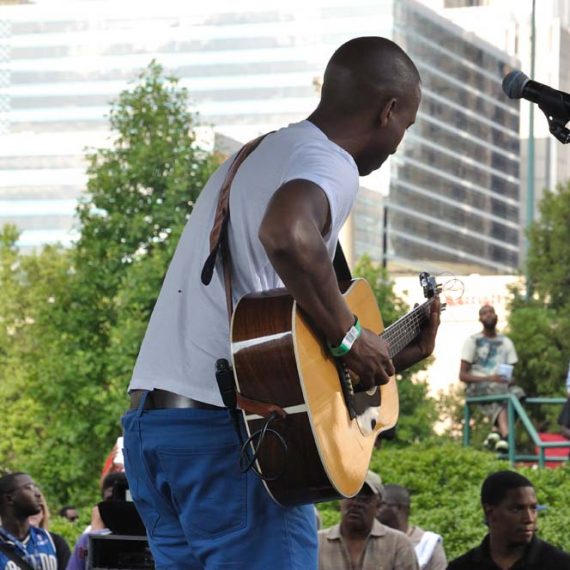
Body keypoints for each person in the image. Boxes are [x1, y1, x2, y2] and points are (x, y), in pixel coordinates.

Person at [122, 36, 440, 570]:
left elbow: (273, 344)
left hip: (155, 432)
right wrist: (345, 335)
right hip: (234, 444)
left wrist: (378, 356)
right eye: (404, 126)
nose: (397, 143)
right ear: (388, 112)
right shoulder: (329, 161)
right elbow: (287, 233)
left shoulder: (253, 157)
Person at [448, 470, 570, 569]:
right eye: (517, 509)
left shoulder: (560, 564)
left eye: (533, 508)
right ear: (490, 512)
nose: (529, 518)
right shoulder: (462, 567)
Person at [318, 471, 418, 570]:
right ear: (340, 500)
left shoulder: (398, 544)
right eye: (350, 495)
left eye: (364, 498)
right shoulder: (318, 543)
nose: (356, 503)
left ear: (378, 505)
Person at [459, 304, 525, 452]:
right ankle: (506, 436)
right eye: (484, 313)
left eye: (491, 312)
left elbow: (512, 373)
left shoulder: (506, 342)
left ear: (496, 316)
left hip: (501, 387)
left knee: (519, 393)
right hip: (478, 387)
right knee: (501, 391)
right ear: (480, 319)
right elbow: (462, 375)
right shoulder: (473, 341)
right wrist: (490, 378)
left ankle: (496, 432)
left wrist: (509, 379)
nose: (488, 315)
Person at [377, 484, 446, 570]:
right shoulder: (371, 541)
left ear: (399, 508)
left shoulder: (428, 545)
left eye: (380, 504)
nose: (375, 509)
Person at [0, 472, 59, 569]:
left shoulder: (54, 542)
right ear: (9, 498)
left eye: (36, 487)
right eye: (29, 488)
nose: (38, 494)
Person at [28, 491, 71, 569]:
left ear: (43, 513)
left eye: (38, 508)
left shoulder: (56, 542)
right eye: (28, 508)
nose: (33, 513)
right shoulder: (7, 542)